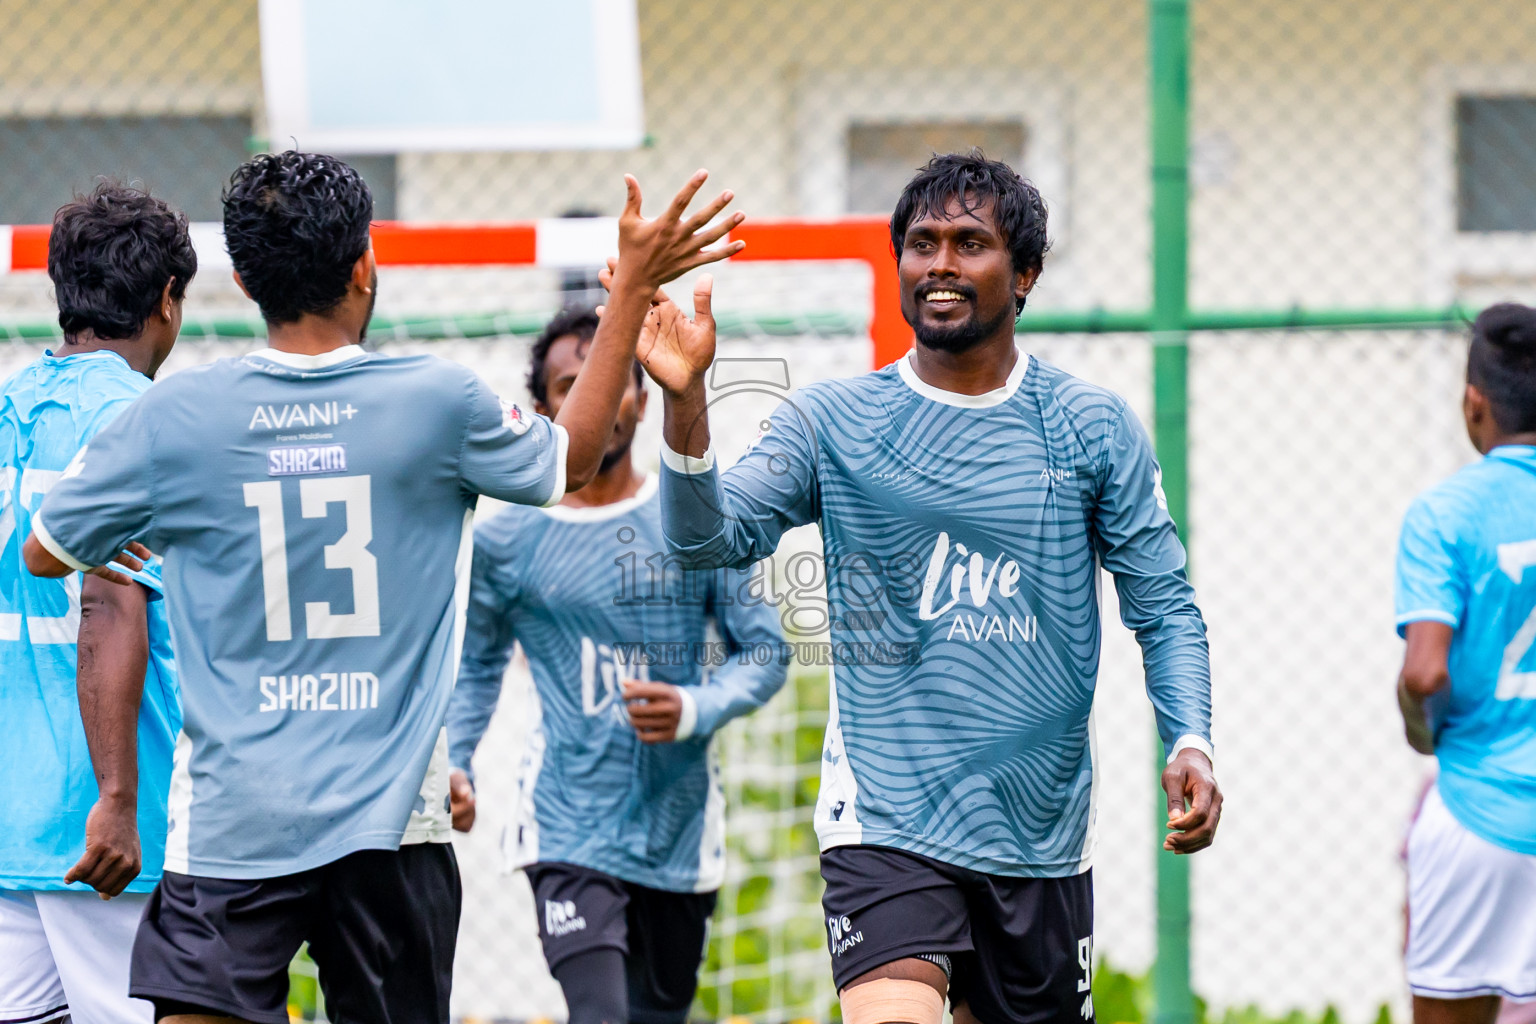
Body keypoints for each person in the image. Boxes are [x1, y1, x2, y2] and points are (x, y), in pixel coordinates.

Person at [23, 151, 745, 1024]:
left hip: (233, 822)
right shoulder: (436, 401)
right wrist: (628, 290)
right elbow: (576, 455)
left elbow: (46, 552)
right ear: (366, 266)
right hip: (392, 826)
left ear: (245, 281)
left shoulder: (179, 418)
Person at [618, 151, 1222, 1024]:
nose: (938, 262)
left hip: (1039, 835)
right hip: (886, 821)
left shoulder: (1092, 428)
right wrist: (684, 405)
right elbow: (707, 539)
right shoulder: (831, 420)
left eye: (970, 242)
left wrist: (1190, 741)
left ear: (1025, 275)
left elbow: (1164, 608)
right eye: (920, 242)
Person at [446, 307, 790, 1024]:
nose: (590, 399)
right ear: (542, 410)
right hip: (566, 824)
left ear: (637, 395)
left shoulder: (692, 518)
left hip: (677, 826)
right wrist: (457, 761)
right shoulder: (507, 537)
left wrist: (694, 707)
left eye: (605, 382)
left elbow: (764, 651)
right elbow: (478, 668)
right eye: (569, 386)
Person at [0, 181, 192, 1024]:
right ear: (165, 300)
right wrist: (116, 801)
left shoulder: (4, 411)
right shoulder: (145, 421)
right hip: (106, 838)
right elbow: (111, 609)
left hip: (10, 823)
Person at [1395, 303, 1536, 1024]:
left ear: (1473, 404)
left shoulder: (1445, 514)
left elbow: (1425, 672)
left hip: (1480, 816)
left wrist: (1423, 728)